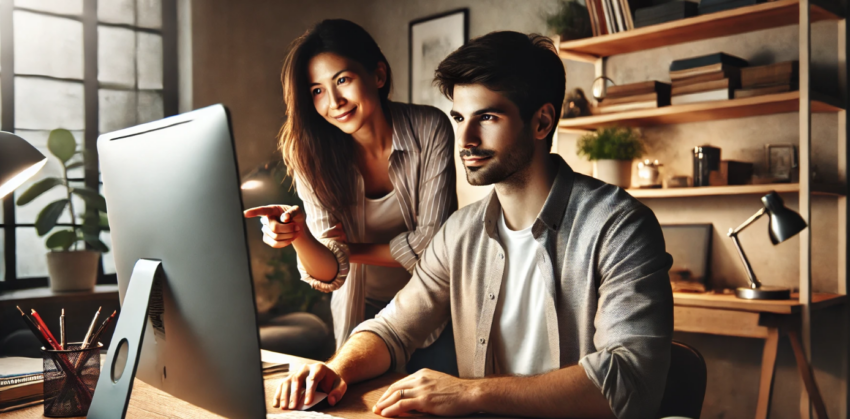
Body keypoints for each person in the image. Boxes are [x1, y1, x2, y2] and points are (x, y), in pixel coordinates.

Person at [272, 30, 674, 419]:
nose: (464, 138)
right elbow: (393, 328)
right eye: (459, 117)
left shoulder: (620, 226)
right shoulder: (459, 233)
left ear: (541, 122)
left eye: (487, 117)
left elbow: (630, 381)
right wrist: (336, 368)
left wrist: (472, 392)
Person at [243, 19, 458, 373]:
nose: (334, 102)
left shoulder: (429, 128)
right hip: (362, 314)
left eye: (342, 80)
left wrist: (350, 251)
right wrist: (299, 237)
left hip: (433, 309)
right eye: (317, 90)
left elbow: (435, 246)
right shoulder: (307, 153)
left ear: (378, 75)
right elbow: (331, 274)